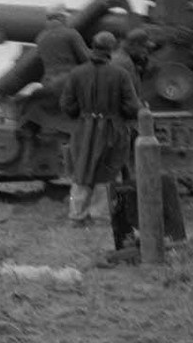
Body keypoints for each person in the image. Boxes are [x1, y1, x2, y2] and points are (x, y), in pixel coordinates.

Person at [59, 31, 143, 226]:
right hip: (113, 130)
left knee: (81, 171)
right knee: (107, 172)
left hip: (84, 129)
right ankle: (101, 217)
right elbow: (132, 106)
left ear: (93, 47)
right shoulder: (120, 74)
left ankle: (77, 215)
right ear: (111, 49)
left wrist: (81, 115)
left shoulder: (77, 73)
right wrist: (122, 114)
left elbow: (66, 105)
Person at [35, 5, 90, 95]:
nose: (66, 20)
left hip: (48, 82)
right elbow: (86, 58)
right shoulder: (70, 33)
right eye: (65, 17)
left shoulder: (40, 38)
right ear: (60, 17)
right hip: (69, 80)